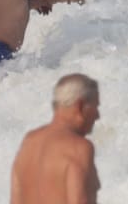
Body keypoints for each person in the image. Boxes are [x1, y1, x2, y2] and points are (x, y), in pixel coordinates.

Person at [11, 74, 102, 204]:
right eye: (95, 107)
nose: (97, 115)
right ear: (80, 106)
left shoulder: (29, 142)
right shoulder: (78, 148)